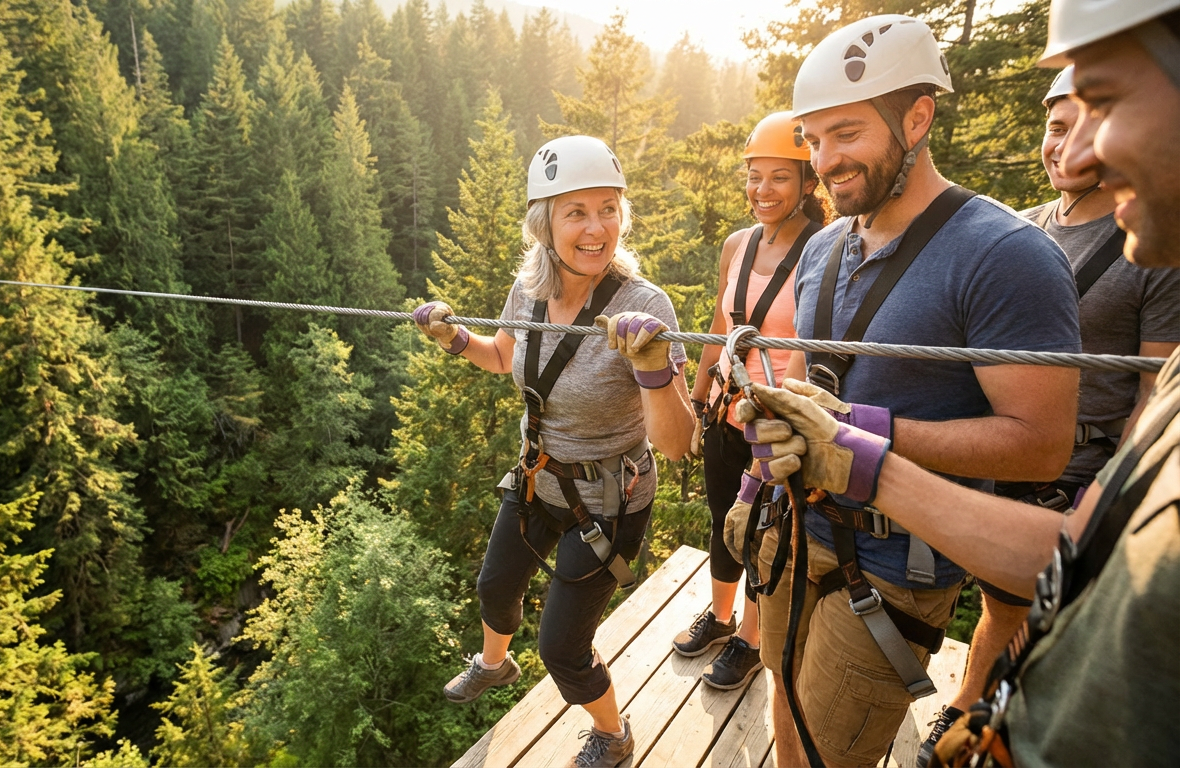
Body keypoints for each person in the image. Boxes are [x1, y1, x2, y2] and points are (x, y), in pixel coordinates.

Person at [737, 1, 1180, 764]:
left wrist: (864, 436)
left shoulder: (1003, 254)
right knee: (784, 697)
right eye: (813, 139)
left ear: (916, 119)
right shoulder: (823, 248)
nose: (824, 160)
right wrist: (764, 469)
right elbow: (815, 388)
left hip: (890, 565)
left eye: (847, 134)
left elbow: (1041, 449)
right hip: (795, 527)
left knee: (826, 752)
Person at [414, 134, 694, 768]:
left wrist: (653, 367)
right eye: (577, 212)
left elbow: (679, 446)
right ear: (545, 224)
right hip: (539, 476)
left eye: (608, 209)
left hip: (609, 499)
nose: (597, 228)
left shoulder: (645, 308)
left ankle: (613, 735)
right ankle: (494, 663)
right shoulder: (529, 289)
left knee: (564, 647)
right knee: (494, 586)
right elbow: (504, 358)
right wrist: (454, 337)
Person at [935, 62, 1180, 761]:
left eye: (1086, 126)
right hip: (1000, 447)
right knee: (998, 606)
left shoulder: (1152, 252)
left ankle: (987, 711)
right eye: (1054, 127)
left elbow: (1153, 389)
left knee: (1038, 615)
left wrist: (1107, 498)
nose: (1063, 147)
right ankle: (970, 705)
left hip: (1083, 465)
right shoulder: (1017, 231)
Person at [674, 111, 827, 692]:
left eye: (779, 178)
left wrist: (784, 421)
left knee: (764, 528)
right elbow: (721, 322)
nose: (762, 191)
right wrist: (697, 397)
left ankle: (751, 639)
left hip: (776, 417)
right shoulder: (737, 245)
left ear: (809, 183)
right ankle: (720, 617)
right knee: (722, 519)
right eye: (754, 176)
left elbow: (814, 343)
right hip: (723, 408)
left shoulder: (823, 250)